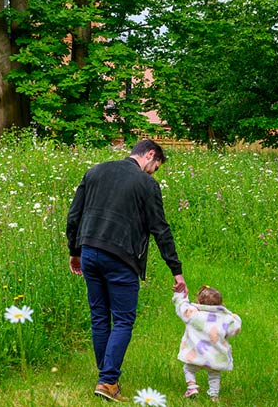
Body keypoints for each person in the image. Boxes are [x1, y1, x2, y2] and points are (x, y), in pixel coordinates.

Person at [66, 138, 187, 402]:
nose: (152, 172)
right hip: (120, 257)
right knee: (122, 320)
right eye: (154, 166)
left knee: (99, 317)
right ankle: (108, 381)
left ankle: (107, 378)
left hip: (88, 251)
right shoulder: (147, 184)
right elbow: (160, 229)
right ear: (150, 155)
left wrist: (74, 252)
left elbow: (74, 214)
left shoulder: (95, 171)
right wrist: (176, 271)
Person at [174, 285, 241, 401]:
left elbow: (181, 307)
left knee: (189, 369)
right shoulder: (225, 318)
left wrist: (180, 295)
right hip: (215, 356)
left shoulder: (194, 314)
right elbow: (235, 329)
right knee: (214, 374)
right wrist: (232, 315)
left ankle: (191, 387)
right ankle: (214, 395)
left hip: (196, 354)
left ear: (199, 301)